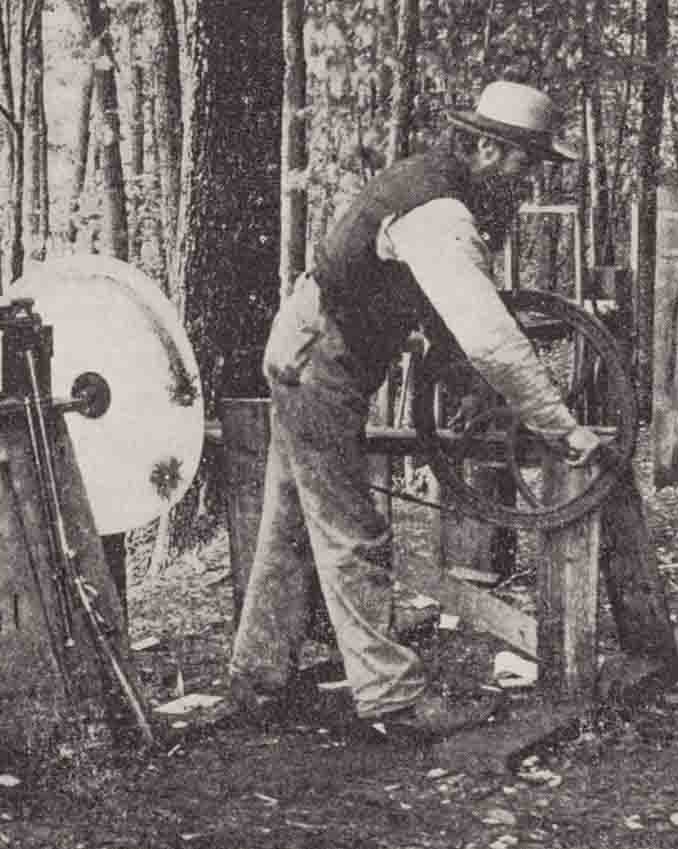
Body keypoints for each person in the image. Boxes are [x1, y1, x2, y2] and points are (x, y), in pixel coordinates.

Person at [228, 81, 602, 740]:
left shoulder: (440, 189)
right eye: (523, 161)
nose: (528, 179)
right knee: (353, 530)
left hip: (309, 348)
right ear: (486, 147)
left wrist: (471, 388)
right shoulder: (439, 212)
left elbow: (440, 329)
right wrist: (562, 427)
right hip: (319, 359)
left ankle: (259, 675)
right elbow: (488, 336)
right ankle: (393, 701)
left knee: (292, 519)